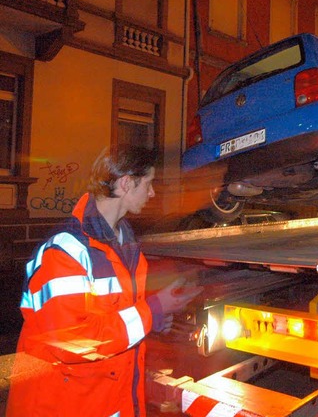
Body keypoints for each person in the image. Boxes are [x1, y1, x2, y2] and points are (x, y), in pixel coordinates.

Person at [6, 146, 202, 417]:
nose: (153, 193)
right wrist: (151, 311)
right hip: (62, 406)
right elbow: (74, 341)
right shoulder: (65, 252)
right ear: (125, 183)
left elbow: (116, 318)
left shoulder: (126, 247)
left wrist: (151, 322)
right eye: (148, 183)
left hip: (107, 402)